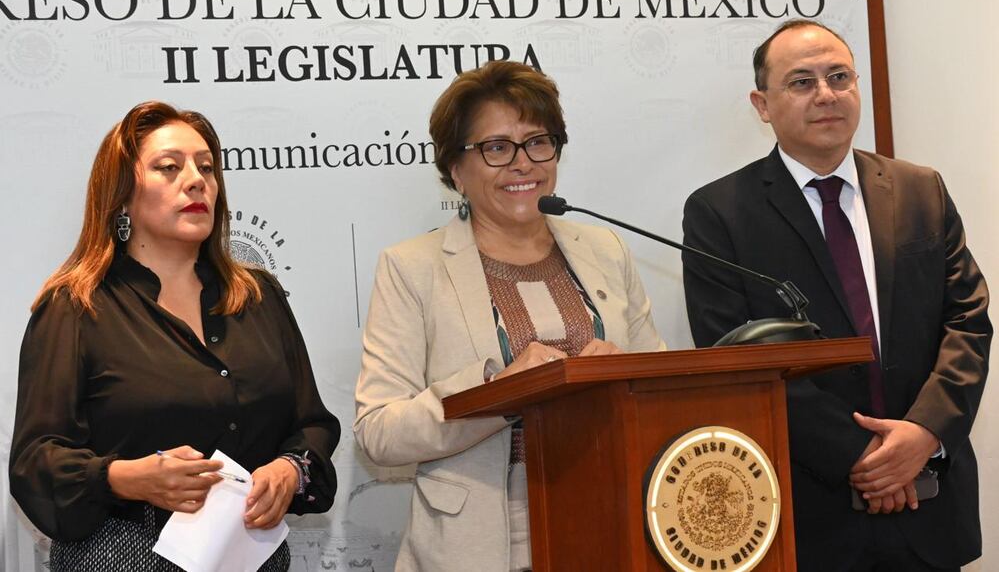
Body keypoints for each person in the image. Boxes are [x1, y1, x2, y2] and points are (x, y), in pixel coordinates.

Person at [681, 19, 990, 571]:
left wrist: (924, 433)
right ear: (762, 104)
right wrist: (865, 457)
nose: (825, 95)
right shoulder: (719, 213)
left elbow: (967, 320)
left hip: (933, 504)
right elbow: (735, 359)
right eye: (801, 82)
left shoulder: (921, 189)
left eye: (838, 76)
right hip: (811, 515)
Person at [354, 60, 665, 572]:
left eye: (537, 142)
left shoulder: (605, 249)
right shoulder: (412, 268)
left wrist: (625, 376)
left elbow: (660, 394)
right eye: (496, 148)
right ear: (455, 168)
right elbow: (380, 432)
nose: (523, 163)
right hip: (478, 544)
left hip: (611, 524)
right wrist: (500, 388)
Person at [9, 101, 340, 571]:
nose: (196, 179)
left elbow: (313, 425)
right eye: (169, 167)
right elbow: (34, 462)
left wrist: (290, 469)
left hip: (251, 557)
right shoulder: (76, 306)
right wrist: (124, 477)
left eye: (206, 167)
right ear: (122, 196)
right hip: (121, 555)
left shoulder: (258, 296)